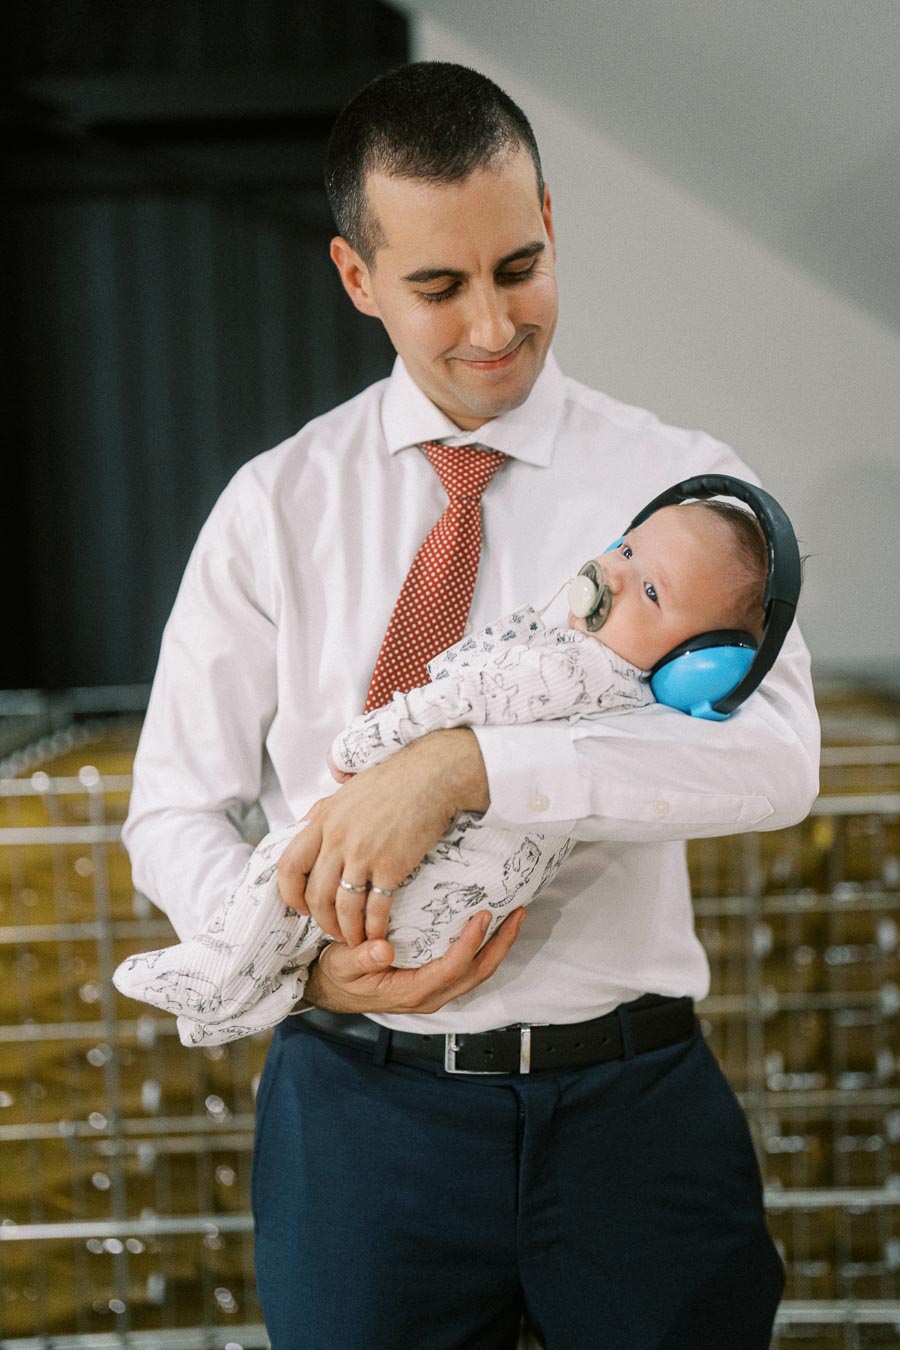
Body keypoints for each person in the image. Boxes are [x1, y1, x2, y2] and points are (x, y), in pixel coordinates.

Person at [122, 61, 819, 1350]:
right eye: (439, 288)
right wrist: (304, 963)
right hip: (360, 1120)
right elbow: (171, 807)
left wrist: (466, 768)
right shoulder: (275, 508)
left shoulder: (684, 489)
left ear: (551, 218)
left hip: (632, 1114)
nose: (493, 323)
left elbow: (777, 762)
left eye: (519, 265)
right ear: (356, 278)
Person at [115, 498, 769, 1049]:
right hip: (411, 979)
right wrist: (317, 987)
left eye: (653, 592)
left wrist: (375, 744)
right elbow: (174, 803)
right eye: (624, 551)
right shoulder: (268, 498)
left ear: (698, 666)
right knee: (310, 883)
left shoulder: (569, 665)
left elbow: (462, 698)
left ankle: (227, 968)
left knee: (285, 856)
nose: (614, 577)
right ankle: (246, 986)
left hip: (606, 1050)